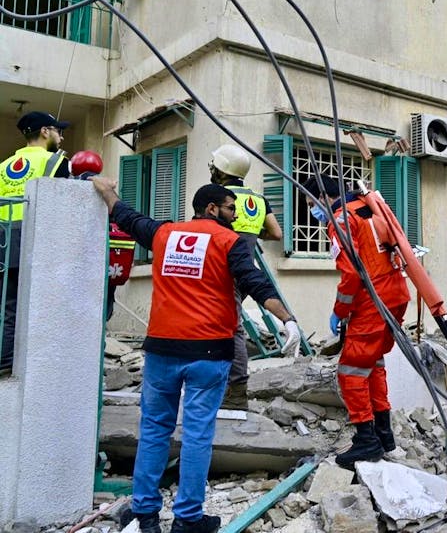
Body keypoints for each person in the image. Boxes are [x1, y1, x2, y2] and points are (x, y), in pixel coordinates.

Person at [91, 177, 301, 533]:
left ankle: (144, 514)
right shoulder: (230, 241)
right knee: (197, 432)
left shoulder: (164, 234)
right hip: (209, 352)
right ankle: (188, 519)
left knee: (155, 429)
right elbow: (255, 281)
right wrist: (288, 320)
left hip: (162, 351)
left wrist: (104, 189)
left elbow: (125, 215)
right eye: (231, 208)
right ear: (211, 208)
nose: (236, 216)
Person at [302, 175, 410, 468]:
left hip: (373, 299)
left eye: (313, 203)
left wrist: (340, 310)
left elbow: (351, 274)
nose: (313, 210)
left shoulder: (341, 219)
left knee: (350, 371)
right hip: (396, 293)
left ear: (323, 197)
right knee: (371, 363)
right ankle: (384, 434)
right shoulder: (367, 208)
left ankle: (366, 441)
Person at [208, 144, 284, 410]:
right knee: (231, 325)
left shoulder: (220, 197)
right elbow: (276, 233)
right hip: (245, 271)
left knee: (231, 328)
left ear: (222, 171)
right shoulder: (258, 200)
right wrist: (253, 234)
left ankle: (236, 391)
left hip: (221, 271)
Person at [0, 111, 72, 376]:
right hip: (37, 242)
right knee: (43, 307)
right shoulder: (56, 162)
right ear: (44, 131)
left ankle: (5, 362)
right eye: (57, 131)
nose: (61, 136)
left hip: (4, 243)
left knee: (7, 307)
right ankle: (35, 367)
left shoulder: (5, 165)